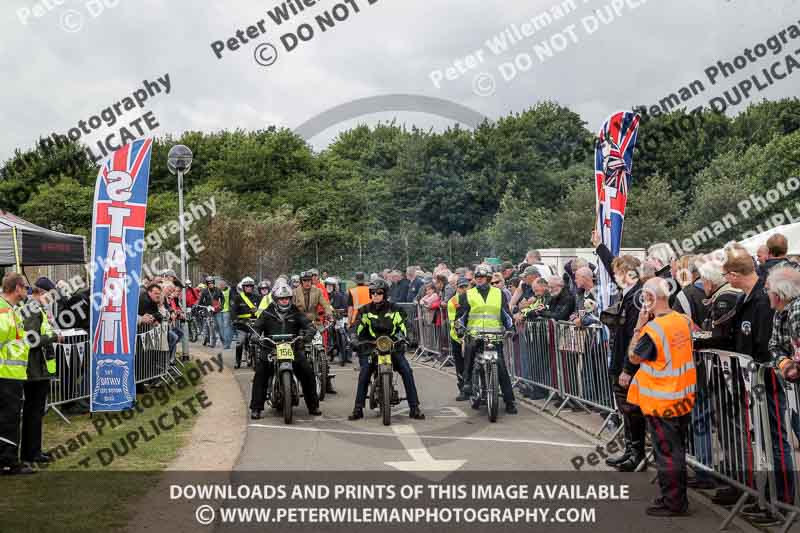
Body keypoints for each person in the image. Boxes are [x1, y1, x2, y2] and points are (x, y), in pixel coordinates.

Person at [693, 244, 779, 513]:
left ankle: (774, 498)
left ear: (733, 274)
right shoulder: (747, 297)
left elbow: (763, 344)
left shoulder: (761, 299)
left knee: (767, 440)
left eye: (728, 274)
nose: (725, 279)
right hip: (745, 378)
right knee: (749, 438)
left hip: (760, 379)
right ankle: (753, 490)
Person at [627, 277, 696, 517]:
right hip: (683, 396)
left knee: (667, 453)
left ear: (649, 299)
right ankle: (675, 498)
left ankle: (674, 503)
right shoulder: (683, 321)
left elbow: (634, 357)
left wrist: (639, 325)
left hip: (661, 401)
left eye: (644, 297)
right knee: (677, 450)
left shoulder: (653, 329)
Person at [592, 229, 646, 472]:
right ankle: (630, 450)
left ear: (627, 274)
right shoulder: (630, 292)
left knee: (632, 411)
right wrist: (600, 247)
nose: (614, 276)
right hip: (620, 360)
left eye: (617, 272)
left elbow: (635, 336)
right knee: (626, 411)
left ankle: (637, 454)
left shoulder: (637, 298)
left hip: (628, 363)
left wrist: (627, 368)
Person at [349, 279, 425, 421]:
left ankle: (414, 408)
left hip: (393, 346)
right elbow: (355, 326)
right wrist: (354, 339)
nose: (375, 295)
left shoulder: (396, 309)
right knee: (364, 373)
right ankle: (358, 409)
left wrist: (409, 336)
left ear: (385, 294)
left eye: (379, 293)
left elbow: (405, 324)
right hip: (371, 347)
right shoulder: (364, 310)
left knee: (407, 371)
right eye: (373, 293)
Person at [249, 283, 320, 420]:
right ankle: (256, 408)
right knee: (260, 374)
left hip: (293, 348)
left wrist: (308, 334)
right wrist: (255, 336)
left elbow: (308, 325)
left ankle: (313, 405)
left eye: (287, 298)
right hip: (271, 349)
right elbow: (257, 327)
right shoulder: (267, 313)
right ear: (276, 299)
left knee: (307, 372)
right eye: (281, 299)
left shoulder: (295, 312)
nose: (284, 301)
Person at [456, 265, 517, 414]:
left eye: (481, 277)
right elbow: (461, 315)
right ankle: (468, 383)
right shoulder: (468, 294)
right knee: (469, 352)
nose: (478, 280)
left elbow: (505, 313)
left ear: (489, 278)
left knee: (501, 367)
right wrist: (459, 328)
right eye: (476, 278)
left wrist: (511, 327)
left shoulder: (499, 293)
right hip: (474, 334)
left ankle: (509, 401)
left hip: (493, 335)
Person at [20, 281, 61, 467]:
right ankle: (31, 453)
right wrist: (53, 337)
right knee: (33, 413)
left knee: (35, 413)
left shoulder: (37, 308)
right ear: (42, 292)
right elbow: (30, 339)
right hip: (34, 370)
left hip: (38, 369)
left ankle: (34, 450)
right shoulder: (33, 309)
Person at [0, 273, 32, 475]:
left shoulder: (12, 310)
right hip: (6, 374)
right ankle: (8, 461)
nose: (27, 291)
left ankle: (8, 458)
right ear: (17, 288)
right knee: (9, 419)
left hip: (13, 373)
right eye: (25, 287)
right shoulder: (4, 311)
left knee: (9, 418)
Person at [231, 277, 259, 369]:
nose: (248, 288)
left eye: (250, 286)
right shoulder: (238, 298)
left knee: (258, 340)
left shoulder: (257, 297)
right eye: (246, 286)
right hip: (242, 324)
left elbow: (262, 310)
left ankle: (257, 361)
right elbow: (233, 311)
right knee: (240, 342)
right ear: (243, 287)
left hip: (254, 324)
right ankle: (237, 361)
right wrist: (235, 319)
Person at [450, 277, 470, 400]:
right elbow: (455, 320)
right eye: (461, 287)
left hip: (472, 335)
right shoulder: (453, 301)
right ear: (456, 288)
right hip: (457, 337)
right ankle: (463, 389)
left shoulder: (473, 296)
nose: (463, 289)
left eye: (465, 286)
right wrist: (461, 337)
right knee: (460, 365)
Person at [198, 276, 222, 347]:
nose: (210, 284)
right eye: (209, 283)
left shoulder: (218, 290)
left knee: (215, 325)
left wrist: (220, 306)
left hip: (216, 310)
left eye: (211, 283)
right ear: (207, 284)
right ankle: (207, 338)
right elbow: (200, 302)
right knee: (207, 324)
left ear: (214, 283)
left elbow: (222, 299)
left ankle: (214, 338)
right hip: (208, 310)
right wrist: (205, 306)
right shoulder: (205, 291)